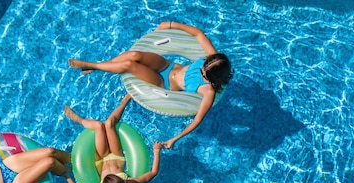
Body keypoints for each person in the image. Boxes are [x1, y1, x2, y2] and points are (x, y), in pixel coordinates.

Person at [68, 21, 233, 149]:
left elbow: (197, 120)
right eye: (203, 65)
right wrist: (170, 25)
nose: (200, 71)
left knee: (129, 65)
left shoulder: (208, 91)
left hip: (164, 82)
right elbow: (198, 33)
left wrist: (175, 139)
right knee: (134, 55)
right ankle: (100, 65)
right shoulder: (213, 58)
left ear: (212, 78)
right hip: (167, 66)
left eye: (203, 74)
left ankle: (92, 65)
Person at [63, 95, 162, 183]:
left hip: (101, 158)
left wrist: (66, 176)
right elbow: (153, 173)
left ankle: (79, 120)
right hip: (116, 155)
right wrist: (156, 151)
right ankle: (124, 102)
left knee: (99, 126)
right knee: (109, 123)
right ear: (122, 181)